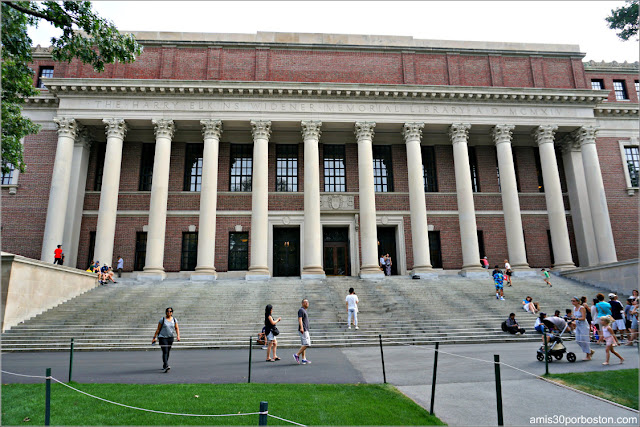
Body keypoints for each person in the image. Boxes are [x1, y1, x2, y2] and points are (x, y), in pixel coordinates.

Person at [152, 307, 180, 372]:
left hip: (170, 338)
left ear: (172, 312)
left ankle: (165, 364)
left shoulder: (174, 320)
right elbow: (158, 329)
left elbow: (177, 328)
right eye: (167, 311)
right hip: (162, 337)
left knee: (168, 351)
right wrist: (154, 337)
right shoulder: (162, 320)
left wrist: (178, 336)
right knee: (165, 351)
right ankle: (166, 365)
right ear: (166, 312)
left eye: (170, 311)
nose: (169, 312)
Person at [571, 296, 593, 361]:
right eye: (572, 301)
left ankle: (588, 355)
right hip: (578, 325)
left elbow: (583, 318)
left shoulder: (581, 308)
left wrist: (576, 319)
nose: (572, 302)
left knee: (585, 340)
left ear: (578, 302)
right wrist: (572, 320)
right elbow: (574, 316)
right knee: (578, 340)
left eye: (574, 301)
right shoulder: (574, 308)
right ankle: (589, 350)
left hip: (583, 325)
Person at [294, 299, 311, 365]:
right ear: (302, 303)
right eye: (305, 302)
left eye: (307, 302)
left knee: (304, 344)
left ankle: (304, 359)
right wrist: (301, 328)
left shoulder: (304, 310)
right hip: (303, 329)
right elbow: (300, 319)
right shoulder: (301, 310)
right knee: (307, 344)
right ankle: (297, 354)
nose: (307, 303)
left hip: (305, 329)